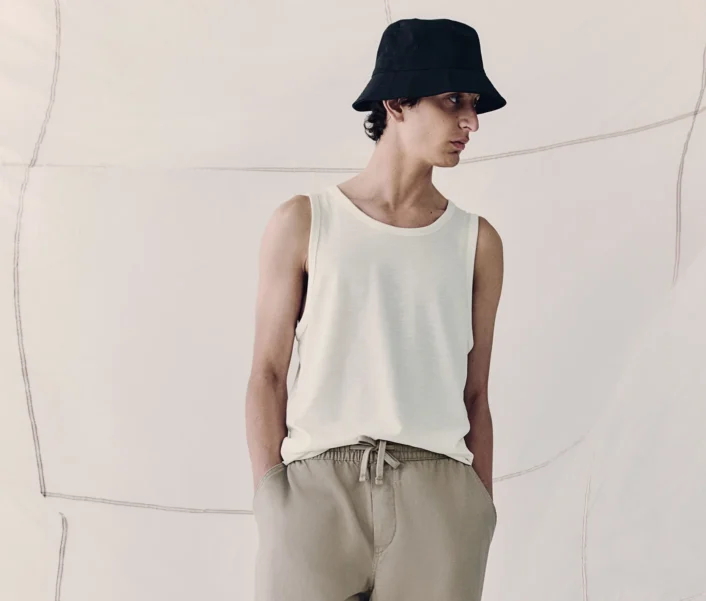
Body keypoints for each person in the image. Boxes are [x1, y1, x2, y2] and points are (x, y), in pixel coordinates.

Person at [245, 17, 506, 601]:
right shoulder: (304, 222)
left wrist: (479, 511)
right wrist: (272, 500)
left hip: (440, 500)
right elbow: (267, 373)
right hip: (315, 496)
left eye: (473, 104)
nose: (471, 121)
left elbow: (476, 393)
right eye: (453, 100)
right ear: (395, 103)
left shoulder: (476, 242)